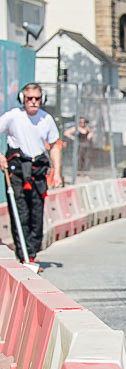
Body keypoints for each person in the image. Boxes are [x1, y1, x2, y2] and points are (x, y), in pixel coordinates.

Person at [0, 82, 62, 268]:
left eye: (36, 99)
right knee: (20, 213)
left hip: (37, 170)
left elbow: (55, 146)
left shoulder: (46, 119)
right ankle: (24, 255)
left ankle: (32, 254)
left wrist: (57, 172)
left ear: (42, 99)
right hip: (17, 169)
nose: (33, 102)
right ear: (22, 99)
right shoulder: (13, 116)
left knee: (36, 214)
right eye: (29, 99)